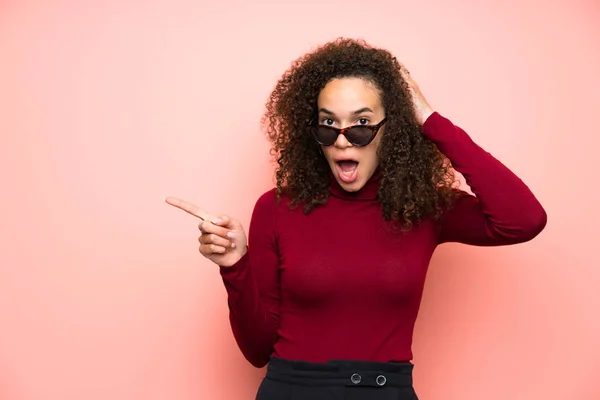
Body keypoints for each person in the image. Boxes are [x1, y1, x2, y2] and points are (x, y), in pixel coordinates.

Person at [165, 38, 547, 400]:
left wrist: (429, 119)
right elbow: (257, 350)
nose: (343, 140)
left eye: (362, 124)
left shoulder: (423, 207)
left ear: (391, 128)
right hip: (291, 390)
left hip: (386, 391)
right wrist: (235, 266)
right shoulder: (276, 208)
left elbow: (523, 219)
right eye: (328, 124)